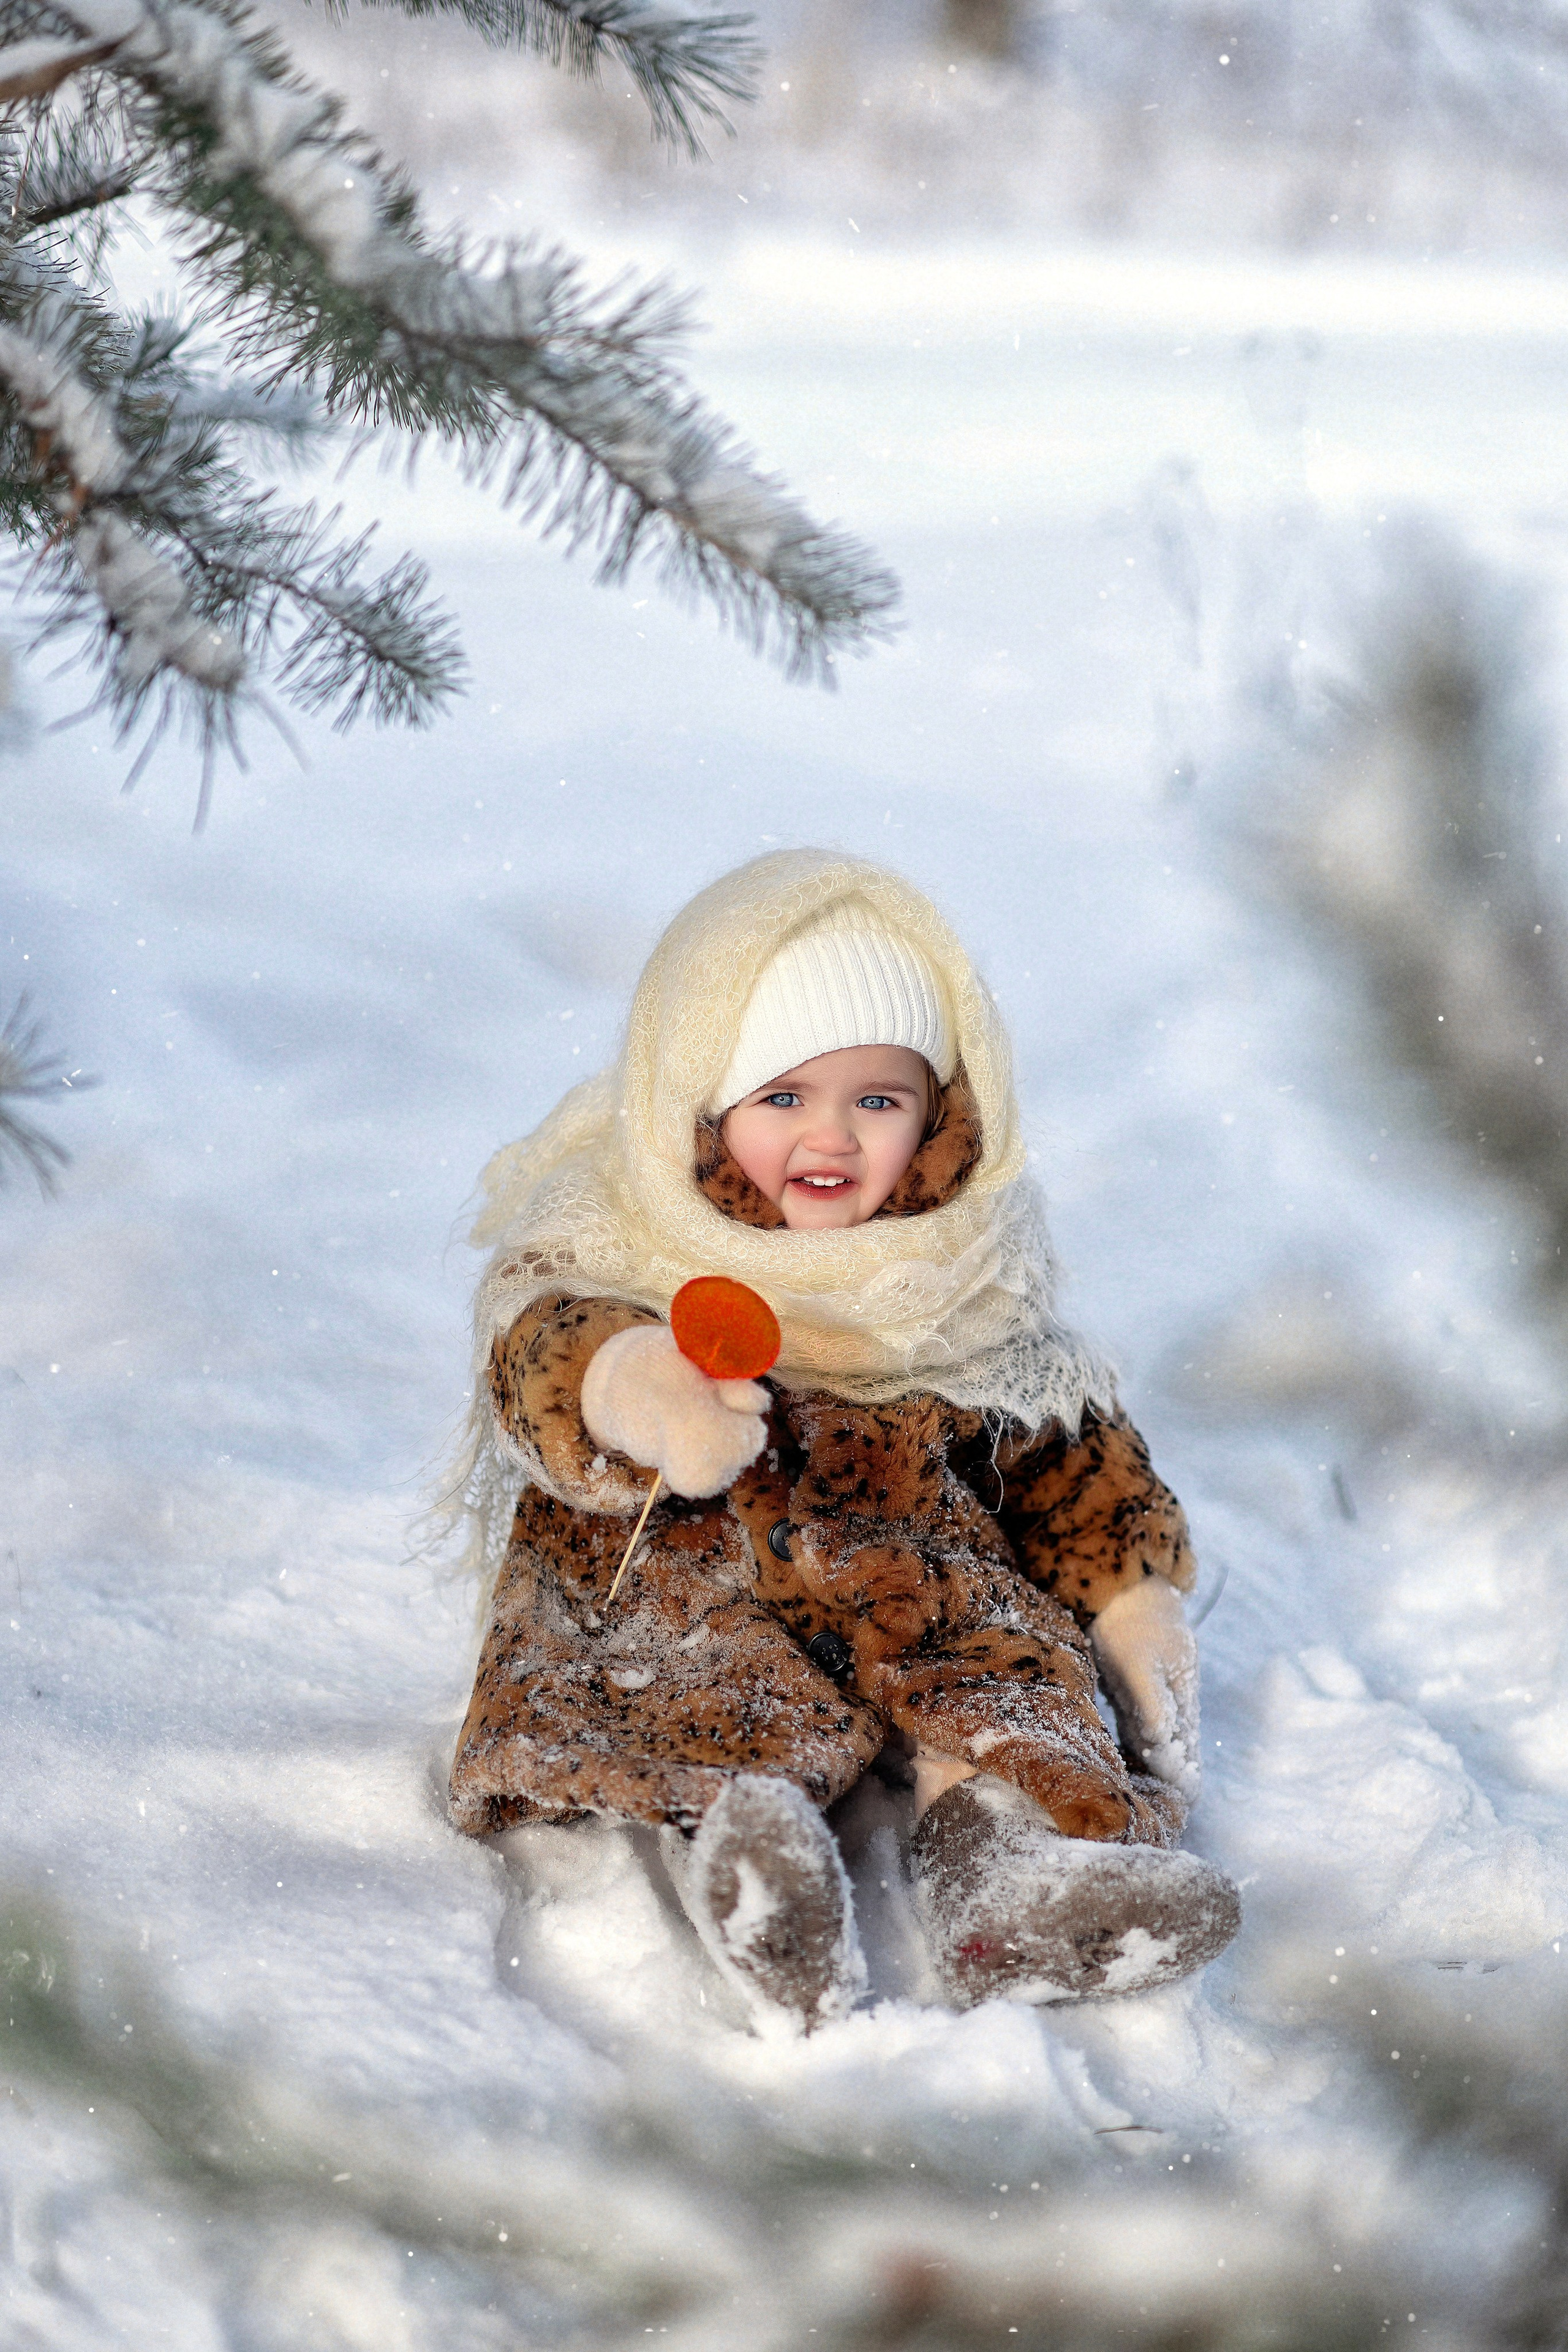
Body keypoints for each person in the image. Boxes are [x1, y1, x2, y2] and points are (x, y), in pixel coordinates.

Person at [448, 850, 1240, 2029]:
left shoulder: (973, 1272)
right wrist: (636, 1389)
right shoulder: (626, 1239)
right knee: (711, 1687)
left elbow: (1070, 1452)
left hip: (915, 1568)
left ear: (941, 1115)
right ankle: (755, 1874)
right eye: (783, 1098)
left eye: (878, 1101)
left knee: (1010, 1677)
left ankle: (1009, 1882)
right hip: (694, 1564)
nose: (831, 1138)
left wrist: (1132, 1595)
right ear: (701, 1106)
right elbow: (546, 1351)